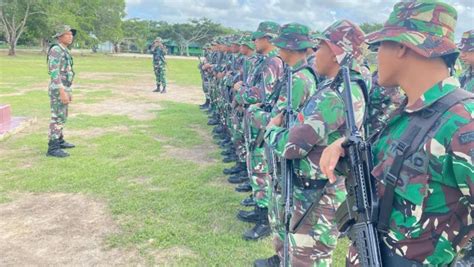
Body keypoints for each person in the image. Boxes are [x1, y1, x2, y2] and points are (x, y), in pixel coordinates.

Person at [320, 1, 473, 265]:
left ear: (403, 46)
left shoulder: (463, 121)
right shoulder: (413, 110)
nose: (376, 56)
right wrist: (346, 145)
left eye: (380, 47)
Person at [256, 20, 369, 267]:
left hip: (318, 196)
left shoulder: (335, 95)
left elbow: (292, 146)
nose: (315, 53)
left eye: (320, 47)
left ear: (336, 52)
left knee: (308, 259)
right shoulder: (348, 86)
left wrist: (272, 129)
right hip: (320, 191)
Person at [46, 25, 76, 158]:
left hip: (64, 87)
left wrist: (69, 90)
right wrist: (62, 91)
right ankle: (53, 147)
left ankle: (59, 139)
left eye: (71, 34)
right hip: (58, 88)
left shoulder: (64, 50)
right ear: (60, 37)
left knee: (62, 116)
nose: (71, 36)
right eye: (67, 34)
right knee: (57, 117)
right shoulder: (56, 50)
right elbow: (54, 72)